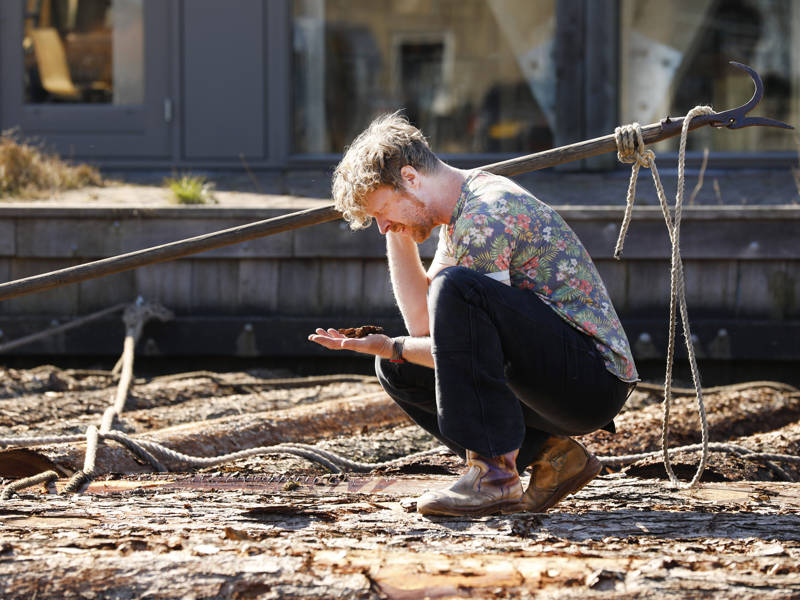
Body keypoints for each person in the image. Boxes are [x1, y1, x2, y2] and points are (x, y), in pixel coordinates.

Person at [309, 113, 638, 517]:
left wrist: (396, 344)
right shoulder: (458, 217)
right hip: (552, 379)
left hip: (591, 381)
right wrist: (399, 234)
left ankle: (493, 475)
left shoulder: (485, 214)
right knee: (398, 367)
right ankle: (555, 459)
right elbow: (428, 329)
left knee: (452, 292)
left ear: (410, 178)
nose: (381, 227)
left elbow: (463, 339)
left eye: (383, 211)